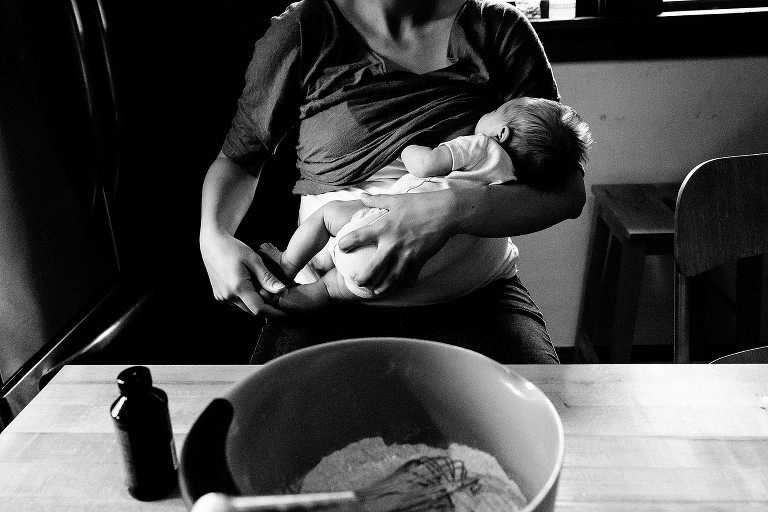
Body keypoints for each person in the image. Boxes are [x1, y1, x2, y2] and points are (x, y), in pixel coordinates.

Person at [199, 0, 587, 364]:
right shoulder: (304, 30)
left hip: (475, 299)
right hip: (328, 304)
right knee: (272, 430)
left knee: (541, 421)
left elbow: (567, 193)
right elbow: (239, 159)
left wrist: (445, 212)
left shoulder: (497, 29)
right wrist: (213, 238)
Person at [256, 96, 592, 310]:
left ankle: (285, 269)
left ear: (501, 133)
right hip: (421, 269)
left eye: (494, 110)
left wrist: (407, 149)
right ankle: (312, 294)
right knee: (333, 290)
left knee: (328, 218)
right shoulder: (516, 179)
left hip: (372, 224)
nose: (487, 112)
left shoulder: (481, 147)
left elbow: (426, 165)